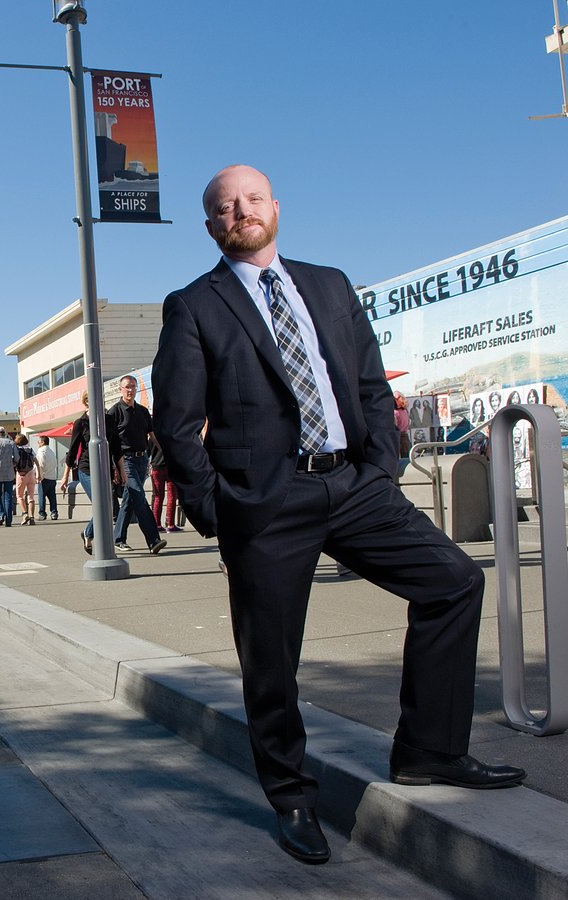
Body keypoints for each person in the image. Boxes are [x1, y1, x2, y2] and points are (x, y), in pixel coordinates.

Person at [151, 164, 524, 866]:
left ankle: (429, 752)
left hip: (353, 486)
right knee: (271, 661)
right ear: (211, 226)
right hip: (266, 506)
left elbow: (366, 382)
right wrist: (221, 515)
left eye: (253, 199)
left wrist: (379, 466)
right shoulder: (193, 306)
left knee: (452, 582)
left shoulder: (328, 283)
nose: (241, 212)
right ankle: (292, 794)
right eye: (225, 207)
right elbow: (176, 425)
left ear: (276, 208)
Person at [107, 375, 168, 554]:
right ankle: (153, 539)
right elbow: (109, 442)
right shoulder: (114, 412)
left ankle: (118, 539)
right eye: (127, 387)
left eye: (133, 386)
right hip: (125, 461)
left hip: (142, 460)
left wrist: (165, 451)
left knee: (129, 501)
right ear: (120, 389)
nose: (130, 390)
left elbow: (152, 435)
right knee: (139, 496)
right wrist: (115, 467)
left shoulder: (142, 411)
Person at [59, 391, 122, 554]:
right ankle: (95, 539)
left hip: (105, 469)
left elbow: (116, 447)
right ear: (87, 402)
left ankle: (88, 533)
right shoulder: (81, 422)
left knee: (108, 506)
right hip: (87, 469)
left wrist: (121, 470)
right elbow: (72, 451)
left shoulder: (108, 420)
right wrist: (65, 476)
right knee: (102, 504)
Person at [148, 437, 181, 533]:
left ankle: (157, 524)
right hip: (170, 467)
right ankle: (170, 524)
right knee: (172, 496)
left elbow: (148, 452)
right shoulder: (171, 434)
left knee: (158, 496)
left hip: (156, 467)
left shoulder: (152, 436)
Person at [13, 432, 40, 525]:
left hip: (21, 474)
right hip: (31, 473)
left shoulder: (17, 450)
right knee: (31, 496)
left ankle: (25, 514)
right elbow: (36, 462)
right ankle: (32, 517)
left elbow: (14, 462)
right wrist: (38, 474)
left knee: (19, 496)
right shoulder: (30, 449)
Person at [35, 435, 59, 521]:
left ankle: (42, 514)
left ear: (42, 442)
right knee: (52, 497)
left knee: (41, 497)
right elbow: (55, 464)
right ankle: (54, 513)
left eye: (39, 441)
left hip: (44, 477)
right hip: (52, 477)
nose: (37, 443)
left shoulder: (41, 451)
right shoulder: (51, 452)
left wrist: (39, 476)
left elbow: (40, 465)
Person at [394, 391, 411, 459]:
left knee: (405, 457)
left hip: (402, 435)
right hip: (400, 436)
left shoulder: (403, 411)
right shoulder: (397, 412)